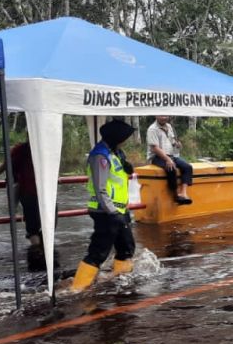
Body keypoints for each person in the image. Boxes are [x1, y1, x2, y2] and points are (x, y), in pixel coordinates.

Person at [71, 120, 137, 292]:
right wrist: (113, 212)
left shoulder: (115, 153)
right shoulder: (100, 155)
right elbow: (101, 188)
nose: (126, 141)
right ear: (116, 137)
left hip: (120, 210)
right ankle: (77, 289)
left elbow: (117, 181)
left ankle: (122, 279)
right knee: (99, 251)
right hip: (106, 212)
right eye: (124, 137)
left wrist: (127, 168)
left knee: (126, 246)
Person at [0, 140, 47, 271]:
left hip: (31, 192)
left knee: (33, 230)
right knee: (44, 227)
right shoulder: (43, 147)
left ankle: (38, 260)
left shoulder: (20, 149)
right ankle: (42, 258)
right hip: (43, 192)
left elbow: (4, 166)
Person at [146, 115, 193, 204]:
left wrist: (177, 144)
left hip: (171, 155)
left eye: (166, 116)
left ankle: (183, 193)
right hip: (157, 156)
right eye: (162, 116)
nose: (164, 117)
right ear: (156, 116)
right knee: (171, 169)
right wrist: (168, 159)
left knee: (187, 167)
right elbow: (155, 148)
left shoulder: (169, 126)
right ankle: (175, 195)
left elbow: (172, 141)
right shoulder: (152, 129)